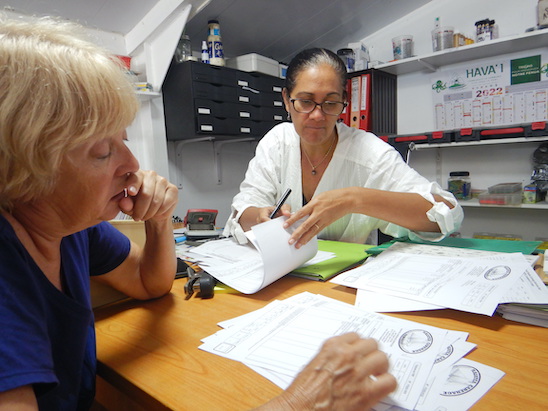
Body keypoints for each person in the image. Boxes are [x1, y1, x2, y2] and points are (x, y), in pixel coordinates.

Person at [0, 17, 396, 410]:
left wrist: (159, 219)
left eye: (123, 139)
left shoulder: (72, 230)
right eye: (102, 151)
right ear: (25, 164)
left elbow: (150, 283)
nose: (132, 163)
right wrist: (300, 403)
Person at [224, 48, 463, 248]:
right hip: (285, 274)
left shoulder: (369, 152)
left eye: (330, 103)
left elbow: (448, 213)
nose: (317, 115)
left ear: (344, 102)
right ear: (287, 99)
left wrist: (355, 199)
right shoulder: (277, 142)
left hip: (348, 278)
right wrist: (259, 217)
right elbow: (243, 211)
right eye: (306, 101)